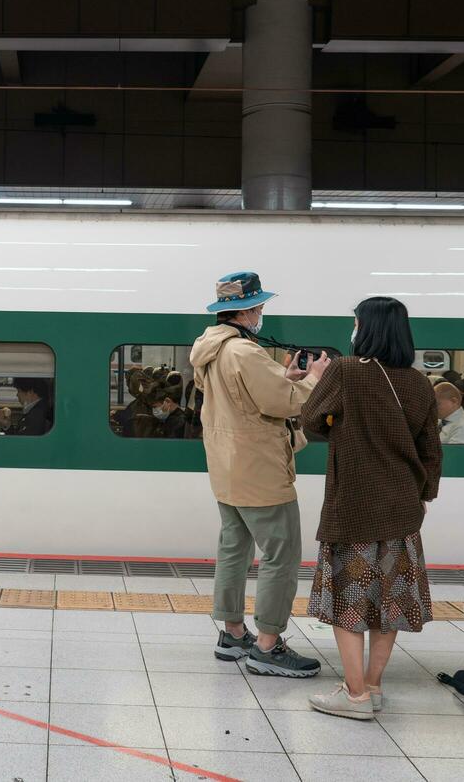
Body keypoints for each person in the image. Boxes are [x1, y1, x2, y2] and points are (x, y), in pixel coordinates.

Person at [300, 296, 442, 720]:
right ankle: (374, 686)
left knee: (350, 600)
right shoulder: (419, 384)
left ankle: (355, 695)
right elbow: (430, 451)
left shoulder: (345, 371)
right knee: (389, 603)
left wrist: (320, 382)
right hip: (402, 510)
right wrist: (423, 496)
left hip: (354, 507)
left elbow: (310, 419)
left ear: (366, 328)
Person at [190, 271, 330, 677]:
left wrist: (284, 378)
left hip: (227, 466)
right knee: (280, 556)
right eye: (260, 307)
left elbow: (246, 399)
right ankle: (268, 645)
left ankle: (233, 633)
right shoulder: (245, 353)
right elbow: (285, 404)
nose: (261, 313)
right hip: (260, 470)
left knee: (234, 548)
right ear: (249, 309)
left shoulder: (210, 348)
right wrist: (314, 381)